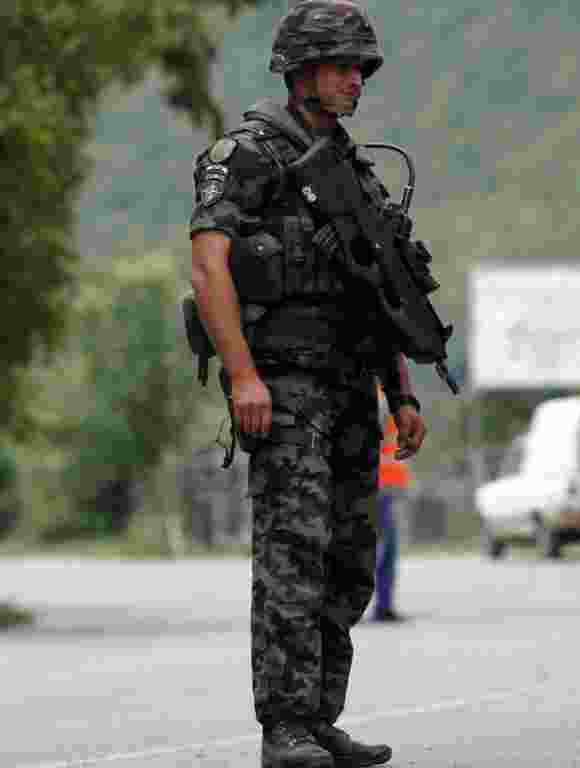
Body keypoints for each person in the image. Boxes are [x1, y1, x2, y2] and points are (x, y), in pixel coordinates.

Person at [189, 2, 426, 766]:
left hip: (353, 385)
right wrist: (244, 374)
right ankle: (283, 726)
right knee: (292, 556)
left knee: (350, 558)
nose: (355, 80)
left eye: (360, 68)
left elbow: (379, 288)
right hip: (284, 386)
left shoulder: (354, 169)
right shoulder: (247, 154)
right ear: (299, 73)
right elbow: (208, 266)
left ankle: (321, 717)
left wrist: (404, 393)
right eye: (340, 67)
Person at [372, 394, 412, 622]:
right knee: (379, 550)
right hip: (379, 487)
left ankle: (384, 605)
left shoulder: (391, 394)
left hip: (388, 488)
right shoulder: (379, 397)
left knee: (387, 551)